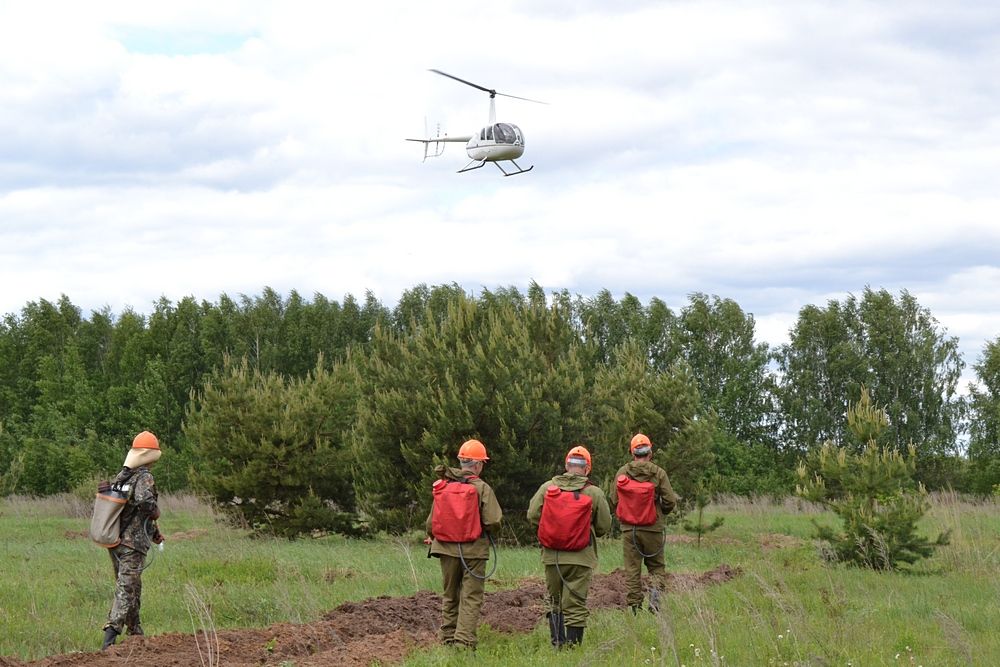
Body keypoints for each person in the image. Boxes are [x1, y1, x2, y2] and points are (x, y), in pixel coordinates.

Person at [527, 445, 611, 648]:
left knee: (555, 600)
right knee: (575, 603)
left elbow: (532, 515)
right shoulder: (594, 492)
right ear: (587, 468)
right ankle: (573, 649)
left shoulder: (548, 488)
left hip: (552, 556)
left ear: (566, 465)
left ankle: (557, 644)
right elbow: (604, 526)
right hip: (581, 558)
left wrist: (551, 531)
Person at [424, 439, 502, 650]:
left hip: (445, 549)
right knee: (471, 596)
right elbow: (494, 520)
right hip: (474, 551)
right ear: (477, 465)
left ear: (461, 462)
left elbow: (431, 523)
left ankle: (448, 639)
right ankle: (464, 642)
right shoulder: (482, 488)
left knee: (450, 594)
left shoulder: (445, 485)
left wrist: (435, 535)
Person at [102, 430, 165, 650]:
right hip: (132, 543)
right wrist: (156, 512)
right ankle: (110, 636)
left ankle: (136, 634)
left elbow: (130, 510)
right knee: (126, 588)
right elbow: (145, 503)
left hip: (115, 540)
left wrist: (155, 532)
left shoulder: (122, 477)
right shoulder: (144, 476)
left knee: (132, 586)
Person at [608, 433, 678, 614]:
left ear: (632, 452)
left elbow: (614, 499)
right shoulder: (658, 472)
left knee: (632, 568)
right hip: (653, 528)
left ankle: (634, 608)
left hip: (629, 529)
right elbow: (670, 500)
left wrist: (626, 515)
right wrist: (660, 513)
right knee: (656, 567)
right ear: (650, 452)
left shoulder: (622, 472)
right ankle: (655, 604)